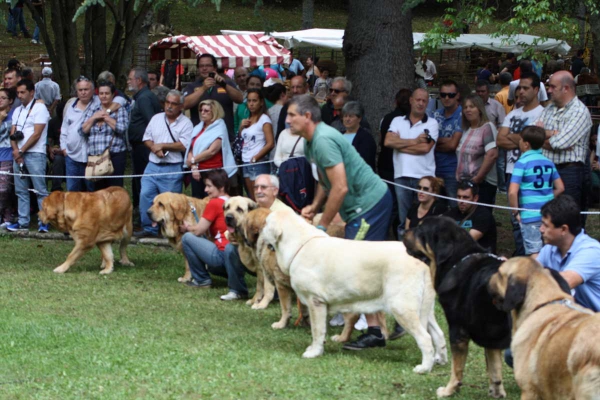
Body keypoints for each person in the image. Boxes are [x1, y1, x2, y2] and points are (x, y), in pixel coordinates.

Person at [290, 94, 394, 350]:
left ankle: (377, 330)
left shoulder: (323, 140)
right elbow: (326, 183)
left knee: (356, 266)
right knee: (361, 266)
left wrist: (322, 226)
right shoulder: (310, 142)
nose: (288, 120)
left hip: (370, 205)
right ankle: (386, 322)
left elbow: (340, 188)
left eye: (292, 115)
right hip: (362, 208)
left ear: (307, 117)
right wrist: (315, 205)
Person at [180, 169, 248, 299]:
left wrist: (187, 228)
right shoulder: (233, 202)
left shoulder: (215, 203)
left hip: (222, 256)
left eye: (209, 186)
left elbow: (199, 230)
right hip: (239, 256)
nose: (206, 190)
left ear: (221, 187)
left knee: (188, 238)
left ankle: (201, 280)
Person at [135, 90, 193, 238]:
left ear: (181, 106)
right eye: (167, 103)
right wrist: (154, 147)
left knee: (170, 203)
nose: (170, 106)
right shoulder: (156, 118)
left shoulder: (186, 123)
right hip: (153, 165)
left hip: (172, 168)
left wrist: (163, 146)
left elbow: (184, 145)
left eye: (174, 104)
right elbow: (146, 138)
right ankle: (149, 228)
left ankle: (170, 230)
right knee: (146, 195)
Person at [385, 88, 439, 231]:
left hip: (425, 178)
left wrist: (400, 145)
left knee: (424, 221)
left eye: (424, 101)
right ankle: (405, 251)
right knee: (404, 221)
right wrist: (415, 140)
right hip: (401, 176)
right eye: (418, 100)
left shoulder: (432, 123)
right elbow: (388, 142)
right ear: (411, 100)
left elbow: (425, 149)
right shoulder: (397, 121)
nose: (420, 103)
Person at [538, 70, 593, 209]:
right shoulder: (549, 108)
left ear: (566, 88)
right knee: (546, 215)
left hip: (569, 173)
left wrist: (541, 137)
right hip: (545, 170)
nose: (549, 90)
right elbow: (530, 134)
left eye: (552, 87)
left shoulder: (579, 111)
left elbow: (559, 143)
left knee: (568, 219)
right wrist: (551, 133)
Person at [536, 195, 600, 312]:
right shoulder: (549, 248)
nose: (541, 229)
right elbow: (533, 270)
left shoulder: (591, 251)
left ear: (564, 230)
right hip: (579, 320)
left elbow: (563, 283)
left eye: (546, 225)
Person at [508, 126, 564, 255]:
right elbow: (560, 187)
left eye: (520, 140)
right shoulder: (549, 162)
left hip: (529, 215)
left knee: (534, 253)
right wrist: (549, 196)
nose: (519, 142)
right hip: (548, 214)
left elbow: (512, 191)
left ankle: (537, 275)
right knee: (549, 251)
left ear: (526, 144)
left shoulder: (521, 163)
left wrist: (515, 212)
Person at [7, 79, 49, 232]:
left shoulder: (40, 108)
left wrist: (22, 150)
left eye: (23, 92)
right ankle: (23, 221)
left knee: (40, 190)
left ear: (32, 92)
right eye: (18, 93)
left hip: (35, 153)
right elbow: (13, 133)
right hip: (18, 154)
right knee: (20, 190)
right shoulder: (18, 110)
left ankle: (44, 221)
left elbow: (37, 134)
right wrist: (16, 151)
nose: (20, 96)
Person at [79, 80, 129, 190]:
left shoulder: (119, 110)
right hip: (96, 156)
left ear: (112, 95)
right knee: (99, 191)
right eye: (101, 93)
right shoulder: (92, 110)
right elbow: (82, 131)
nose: (104, 96)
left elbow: (122, 129)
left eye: (107, 93)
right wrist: (94, 118)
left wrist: (106, 117)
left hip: (115, 154)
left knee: (114, 190)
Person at [182, 53, 243, 140]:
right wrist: (203, 88)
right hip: (201, 138)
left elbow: (240, 99)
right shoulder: (192, 86)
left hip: (224, 137)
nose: (204, 68)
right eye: (201, 66)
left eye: (208, 65)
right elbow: (184, 104)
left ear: (215, 68)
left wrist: (224, 85)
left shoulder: (226, 83)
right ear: (198, 68)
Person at [185, 99, 237, 198]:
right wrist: (193, 167)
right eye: (201, 110)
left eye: (206, 111)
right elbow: (191, 148)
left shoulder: (219, 127)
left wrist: (192, 160)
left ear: (214, 112)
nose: (202, 113)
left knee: (212, 200)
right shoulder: (198, 127)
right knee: (197, 200)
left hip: (213, 172)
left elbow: (212, 151)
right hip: (197, 171)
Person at [378, 88, 411, 238]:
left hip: (386, 165)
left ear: (395, 102)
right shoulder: (404, 121)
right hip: (396, 167)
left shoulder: (385, 118)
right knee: (397, 207)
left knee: (393, 205)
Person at [127, 67, 162, 212]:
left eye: (130, 79)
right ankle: (140, 210)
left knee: (143, 181)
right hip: (138, 146)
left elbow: (151, 122)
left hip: (144, 147)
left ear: (139, 80)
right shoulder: (142, 96)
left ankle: (146, 213)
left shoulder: (144, 98)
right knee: (138, 179)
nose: (128, 82)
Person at [456, 94, 499, 205]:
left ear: (479, 109)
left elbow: (492, 154)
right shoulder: (467, 129)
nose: (468, 110)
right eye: (465, 107)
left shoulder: (487, 127)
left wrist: (477, 178)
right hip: (464, 184)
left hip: (482, 184)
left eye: (472, 106)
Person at [60, 76, 99, 192]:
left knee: (91, 192)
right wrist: (64, 149)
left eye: (86, 89)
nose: (83, 92)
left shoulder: (99, 104)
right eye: (80, 90)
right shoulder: (70, 107)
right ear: (76, 92)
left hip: (92, 157)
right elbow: (64, 130)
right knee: (72, 191)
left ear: (92, 90)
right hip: (72, 156)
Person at [443, 180, 497, 253]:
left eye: (465, 197)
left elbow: (467, 240)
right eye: (459, 197)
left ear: (475, 198)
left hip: (481, 258)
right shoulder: (451, 214)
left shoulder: (483, 215)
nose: (461, 201)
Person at [239, 88, 274, 199]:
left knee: (261, 197)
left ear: (261, 102)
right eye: (249, 101)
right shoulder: (248, 119)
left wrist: (256, 157)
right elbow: (242, 139)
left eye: (254, 101)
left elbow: (270, 143)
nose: (251, 104)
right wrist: (241, 128)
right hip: (245, 162)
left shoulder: (264, 119)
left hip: (258, 163)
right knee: (251, 197)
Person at [434, 80, 463, 200]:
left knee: (454, 205)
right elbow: (427, 142)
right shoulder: (435, 115)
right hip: (434, 167)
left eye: (451, 95)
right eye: (443, 95)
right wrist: (448, 140)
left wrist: (435, 141)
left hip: (454, 169)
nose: (446, 98)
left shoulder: (463, 115)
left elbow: (452, 146)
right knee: (436, 206)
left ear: (457, 96)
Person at [341, 101, 376, 170]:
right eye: (345, 116)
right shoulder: (338, 135)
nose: (347, 119)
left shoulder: (366, 138)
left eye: (351, 116)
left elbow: (364, 161)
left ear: (359, 118)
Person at [0, 87, 16, 228]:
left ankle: (6, 215)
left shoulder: (15, 114)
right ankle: (6, 216)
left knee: (4, 189)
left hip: (8, 155)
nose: (0, 100)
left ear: (10, 100)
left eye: (3, 98)